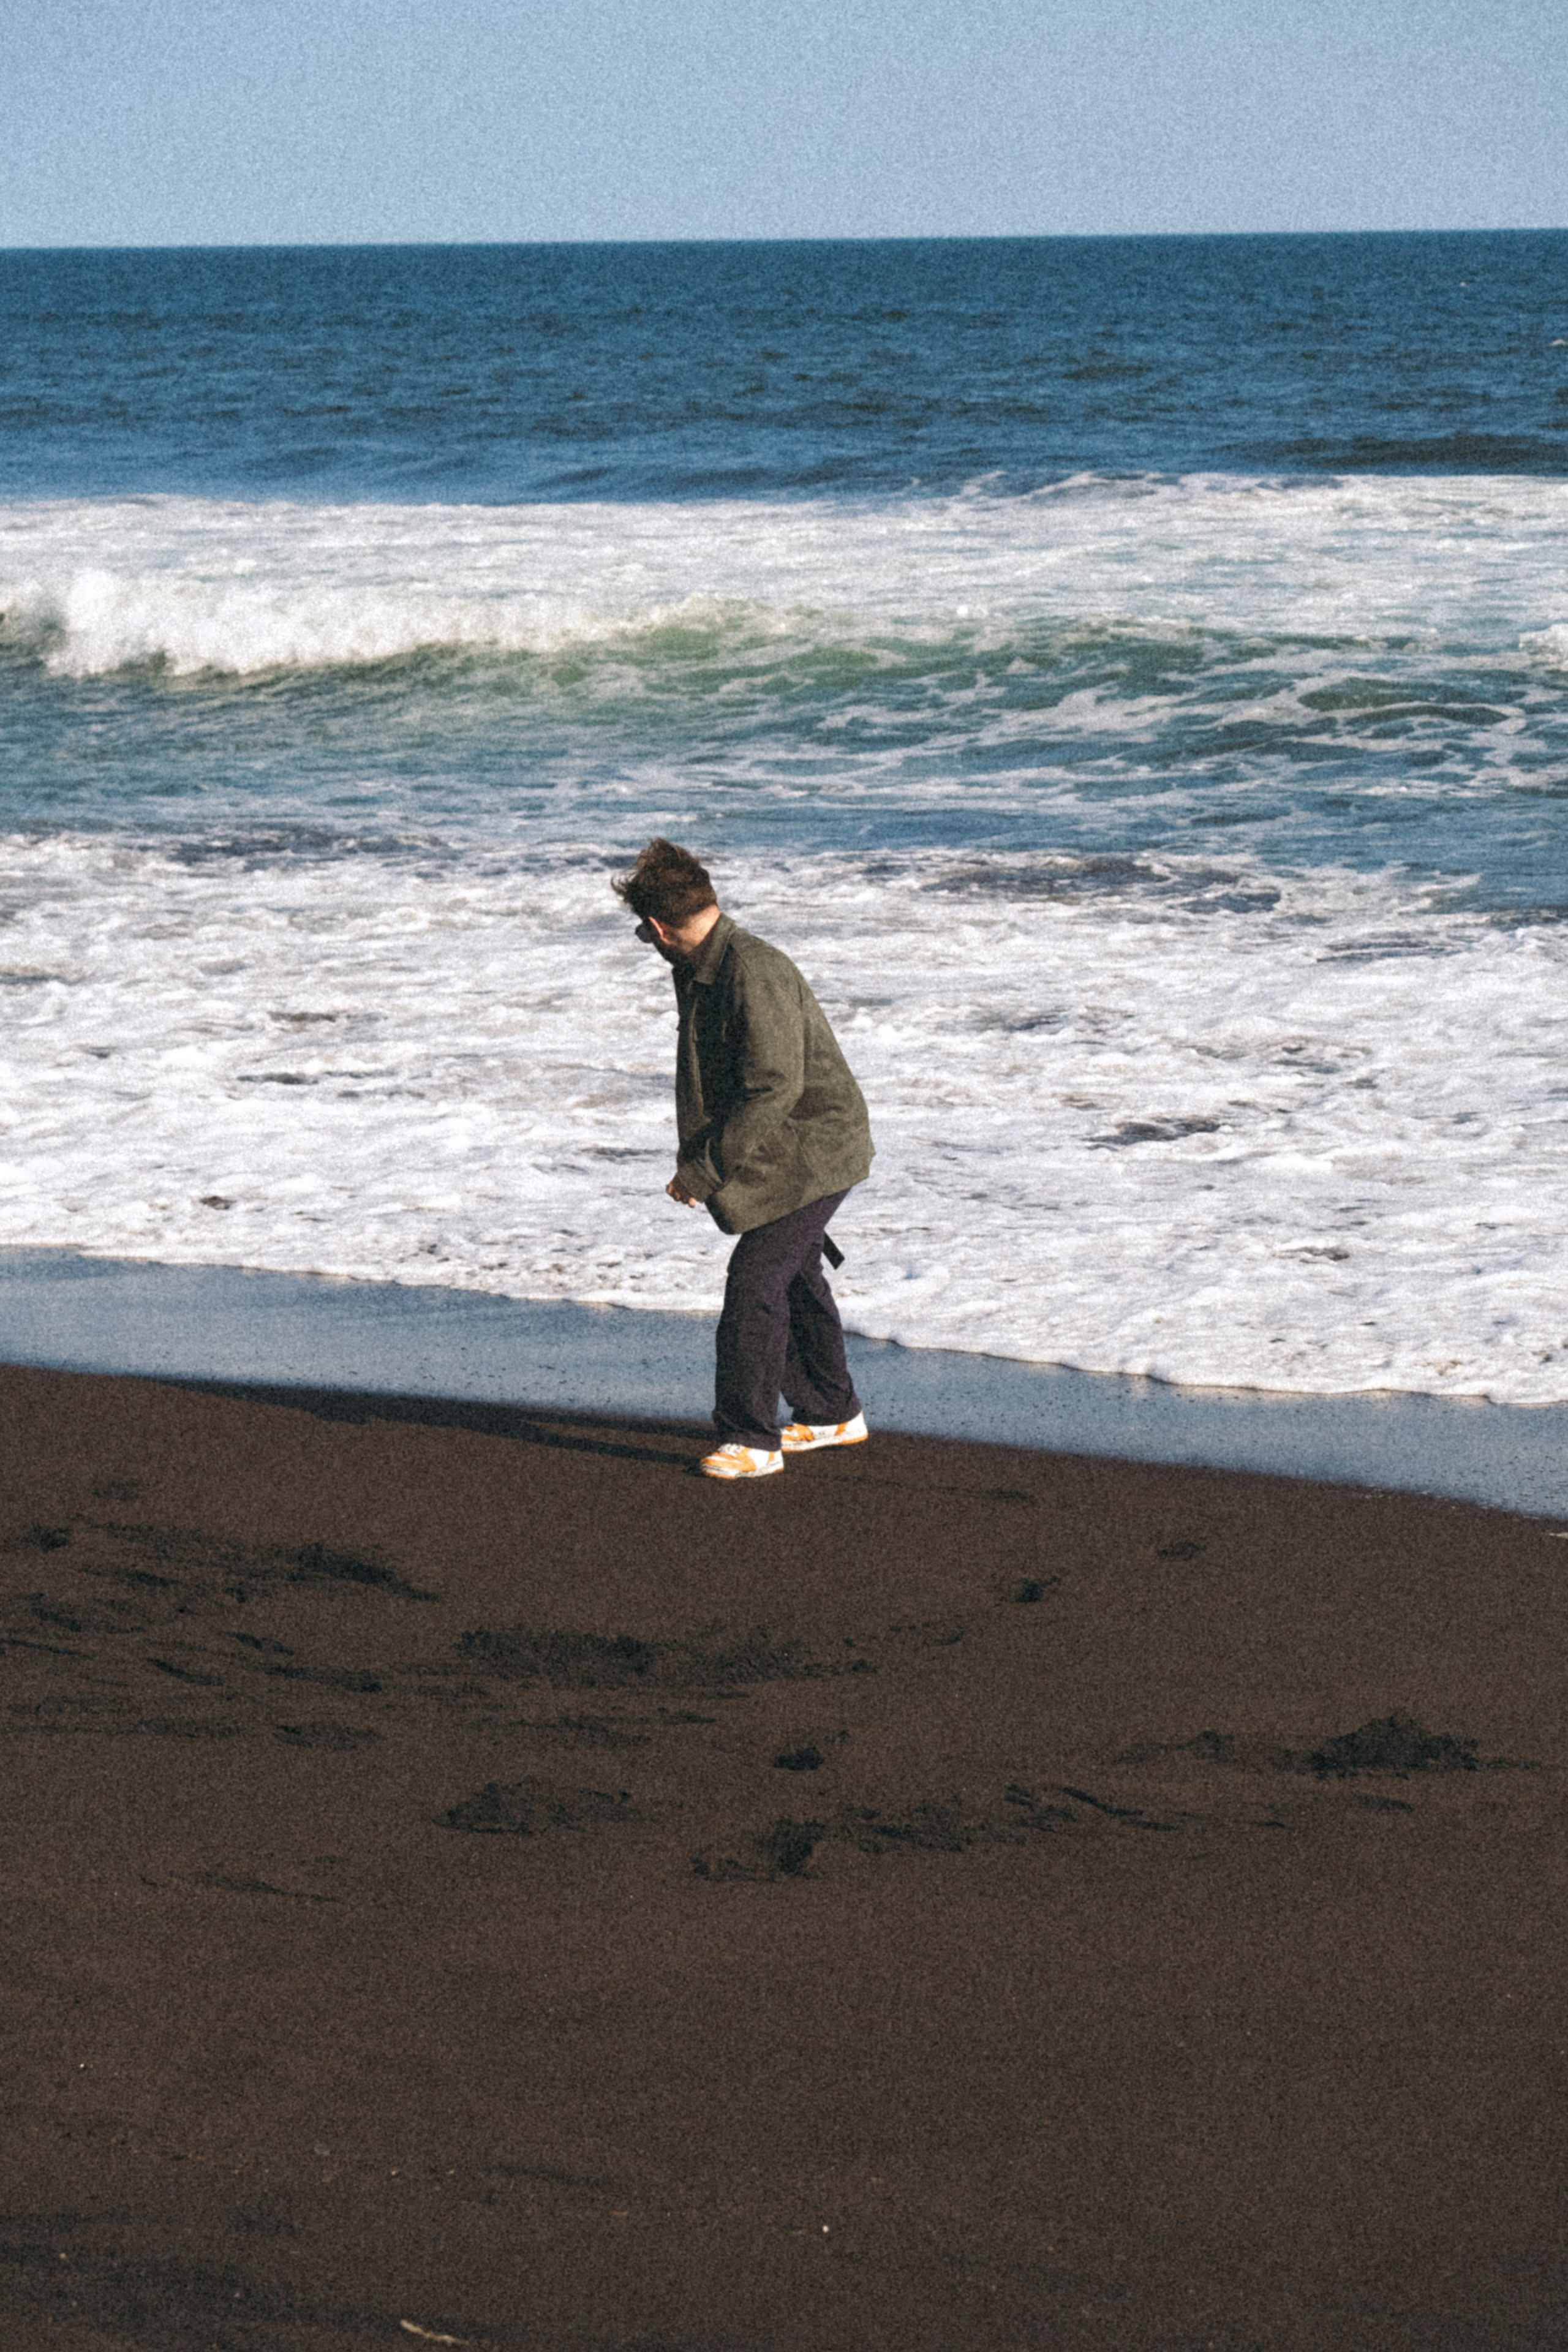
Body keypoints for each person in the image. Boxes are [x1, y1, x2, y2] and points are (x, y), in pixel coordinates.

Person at [614, 839, 874, 1480]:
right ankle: (832, 1412)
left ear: (658, 928)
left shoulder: (750, 971)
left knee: (755, 1284)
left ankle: (751, 1439)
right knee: (794, 1274)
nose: (648, 944)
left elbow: (774, 1087)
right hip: (788, 1147)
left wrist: (704, 1170)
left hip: (817, 1149)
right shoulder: (705, 964)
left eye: (644, 935)